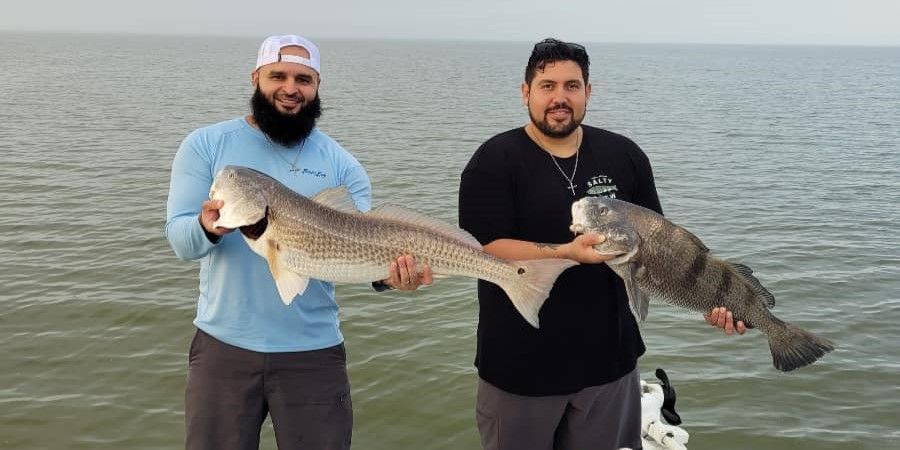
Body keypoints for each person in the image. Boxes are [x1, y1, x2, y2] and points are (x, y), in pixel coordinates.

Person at [458, 38, 745, 450]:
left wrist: (710, 302)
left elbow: (663, 250)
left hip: (610, 367)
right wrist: (565, 253)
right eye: (547, 85)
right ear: (526, 93)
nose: (560, 98)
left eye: (572, 86)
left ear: (588, 92)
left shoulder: (624, 154)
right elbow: (482, 250)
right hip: (519, 369)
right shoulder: (494, 159)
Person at [165, 35, 431, 450]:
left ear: (317, 86)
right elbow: (181, 243)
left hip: (314, 353)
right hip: (223, 350)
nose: (290, 88)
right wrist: (208, 226)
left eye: (303, 79)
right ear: (256, 78)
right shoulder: (206, 145)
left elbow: (361, 253)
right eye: (278, 75)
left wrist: (392, 279)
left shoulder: (343, 165)